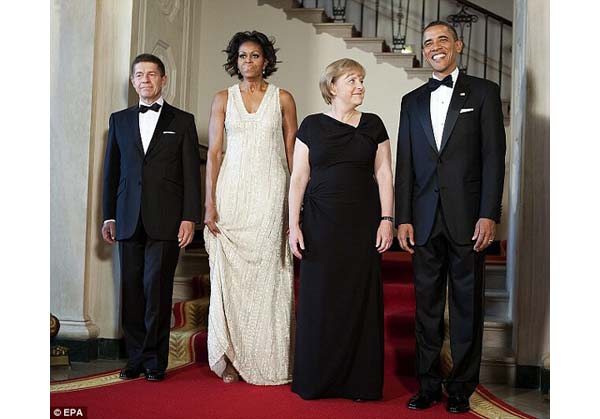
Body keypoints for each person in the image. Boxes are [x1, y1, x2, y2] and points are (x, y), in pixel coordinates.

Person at [395, 21, 506, 413]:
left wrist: (488, 214)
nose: (435, 47)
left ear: (458, 45)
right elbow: (404, 164)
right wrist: (402, 217)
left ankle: (460, 388)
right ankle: (427, 384)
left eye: (443, 39)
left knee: (466, 307)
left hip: (467, 219)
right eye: (428, 43)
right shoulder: (410, 101)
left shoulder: (485, 92)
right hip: (423, 219)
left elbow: (494, 158)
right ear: (424, 51)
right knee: (425, 307)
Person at [289, 58, 394, 400]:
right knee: (320, 302)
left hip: (363, 224)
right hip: (320, 225)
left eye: (362, 80)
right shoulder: (312, 125)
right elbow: (299, 178)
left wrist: (387, 220)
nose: (360, 86)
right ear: (333, 86)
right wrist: (293, 225)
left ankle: (359, 383)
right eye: (353, 79)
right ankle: (317, 380)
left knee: (359, 301)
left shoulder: (374, 125)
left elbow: (384, 176)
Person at [203, 31, 297, 385]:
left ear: (266, 60)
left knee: (270, 275)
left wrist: (297, 204)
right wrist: (209, 202)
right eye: (242, 56)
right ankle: (230, 357)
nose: (248, 62)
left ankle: (271, 356)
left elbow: (293, 154)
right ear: (235, 61)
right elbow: (213, 152)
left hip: (272, 192)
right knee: (231, 278)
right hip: (233, 193)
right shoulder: (222, 98)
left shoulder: (283, 98)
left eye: (254, 56)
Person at [101, 53, 202, 382]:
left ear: (163, 80)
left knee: (157, 289)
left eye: (151, 74)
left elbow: (191, 175)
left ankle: (156, 360)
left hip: (167, 219)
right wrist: (108, 216)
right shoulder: (119, 120)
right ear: (133, 81)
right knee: (131, 290)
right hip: (127, 218)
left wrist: (190, 217)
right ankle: (134, 358)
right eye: (139, 75)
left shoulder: (183, 121)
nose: (145, 80)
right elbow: (111, 174)